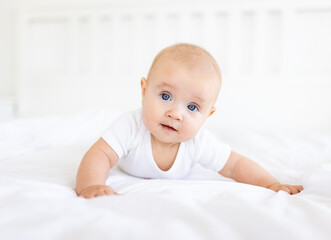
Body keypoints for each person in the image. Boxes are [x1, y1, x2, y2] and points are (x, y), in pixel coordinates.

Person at [76, 43, 303, 198]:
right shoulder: (130, 126)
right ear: (144, 91)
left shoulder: (199, 142)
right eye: (166, 96)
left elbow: (235, 166)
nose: (176, 114)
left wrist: (271, 184)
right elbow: (100, 155)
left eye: (192, 107)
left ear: (207, 115)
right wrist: (92, 185)